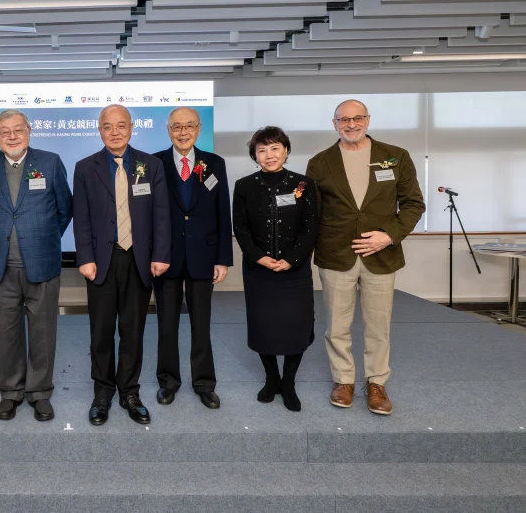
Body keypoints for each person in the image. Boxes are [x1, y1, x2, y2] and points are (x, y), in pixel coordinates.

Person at [306, 100, 424, 415]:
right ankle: (343, 379)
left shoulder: (395, 157)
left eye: (358, 118)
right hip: (335, 255)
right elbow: (312, 214)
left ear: (368, 120)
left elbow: (413, 203)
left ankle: (376, 383)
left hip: (381, 256)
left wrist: (389, 235)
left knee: (378, 324)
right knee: (336, 324)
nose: (351, 124)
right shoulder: (320, 163)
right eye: (344, 119)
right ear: (334, 124)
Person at [0, 110, 73, 422]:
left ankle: (40, 392)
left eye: (18, 129)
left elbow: (64, 209)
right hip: (0, 266)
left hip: (41, 264)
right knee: (7, 333)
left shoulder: (50, 161)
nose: (12, 136)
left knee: (43, 332)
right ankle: (11, 392)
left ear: (29, 131)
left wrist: (43, 240)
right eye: (5, 131)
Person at [73, 104, 170, 426]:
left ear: (132, 128)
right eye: (107, 126)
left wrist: (161, 254)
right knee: (100, 332)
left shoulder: (151, 165)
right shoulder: (85, 167)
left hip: (139, 260)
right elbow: (82, 218)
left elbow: (161, 214)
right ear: (99, 130)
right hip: (101, 261)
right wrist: (84, 258)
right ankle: (102, 393)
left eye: (121, 126)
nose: (115, 132)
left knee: (133, 330)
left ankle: (130, 392)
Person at [233, 126, 318, 412]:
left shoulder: (304, 185)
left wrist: (291, 259)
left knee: (296, 327)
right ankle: (272, 378)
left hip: (294, 271)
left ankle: (289, 383)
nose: (269, 155)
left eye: (274, 148)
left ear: (286, 150)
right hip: (259, 271)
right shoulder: (244, 186)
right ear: (254, 155)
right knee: (264, 327)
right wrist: (259, 257)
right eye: (261, 150)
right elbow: (241, 228)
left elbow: (310, 228)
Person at [152, 107, 232, 410]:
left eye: (189, 126)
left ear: (198, 129)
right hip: (165, 259)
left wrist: (223, 258)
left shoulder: (214, 164)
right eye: (176, 127)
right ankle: (168, 381)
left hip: (204, 255)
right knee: (167, 324)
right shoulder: (154, 163)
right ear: (168, 130)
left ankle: (204, 383)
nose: (182, 132)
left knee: (202, 324)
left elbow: (223, 212)